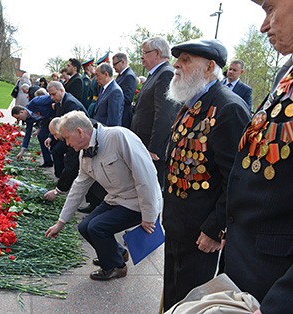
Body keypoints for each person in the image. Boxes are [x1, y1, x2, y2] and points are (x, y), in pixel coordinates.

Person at [162, 39, 251, 311]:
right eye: (178, 59)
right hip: (177, 220)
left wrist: (215, 228)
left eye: (186, 59)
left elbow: (235, 178)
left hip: (201, 230)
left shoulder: (228, 108)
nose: (177, 65)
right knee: (173, 290)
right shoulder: (192, 101)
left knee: (190, 299)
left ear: (210, 67)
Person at [223, 1, 293, 313]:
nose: (264, 25)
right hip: (251, 259)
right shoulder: (286, 71)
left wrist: (280, 303)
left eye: (270, 8)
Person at [45, 110, 162, 281]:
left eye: (67, 138)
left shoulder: (118, 137)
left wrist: (149, 216)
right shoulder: (84, 153)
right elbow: (79, 187)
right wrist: (60, 223)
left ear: (79, 132)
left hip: (137, 201)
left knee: (97, 228)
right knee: (84, 227)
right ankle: (117, 253)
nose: (67, 143)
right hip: (116, 199)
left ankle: (116, 267)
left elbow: (146, 177)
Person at [130, 37, 180, 188]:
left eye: (144, 52)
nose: (141, 56)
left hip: (151, 149)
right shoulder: (155, 74)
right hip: (143, 143)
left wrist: (154, 148)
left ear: (157, 53)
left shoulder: (166, 74)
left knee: (150, 193)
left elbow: (165, 115)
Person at [45, 81, 88, 177]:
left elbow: (72, 126)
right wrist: (50, 137)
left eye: (53, 94)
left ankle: (65, 182)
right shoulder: (60, 102)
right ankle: (60, 177)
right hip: (69, 133)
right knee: (56, 150)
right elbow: (57, 123)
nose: (52, 97)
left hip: (78, 136)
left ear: (61, 90)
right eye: (50, 95)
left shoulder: (69, 103)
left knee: (69, 158)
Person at [11, 94, 55, 167]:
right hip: (46, 121)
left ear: (22, 112)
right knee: (41, 136)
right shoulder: (28, 119)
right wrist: (22, 152)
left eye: (18, 117)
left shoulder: (35, 102)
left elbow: (51, 97)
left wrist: (56, 107)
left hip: (55, 115)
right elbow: (27, 135)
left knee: (53, 139)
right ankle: (48, 161)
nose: (19, 120)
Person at [43, 117, 80, 201]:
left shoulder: (74, 137)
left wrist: (57, 191)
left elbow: (71, 165)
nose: (55, 138)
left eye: (55, 134)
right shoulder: (69, 133)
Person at [113, 53, 138, 129]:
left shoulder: (129, 76)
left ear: (123, 62)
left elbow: (127, 98)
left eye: (115, 64)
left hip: (123, 116)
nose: (113, 67)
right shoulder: (122, 75)